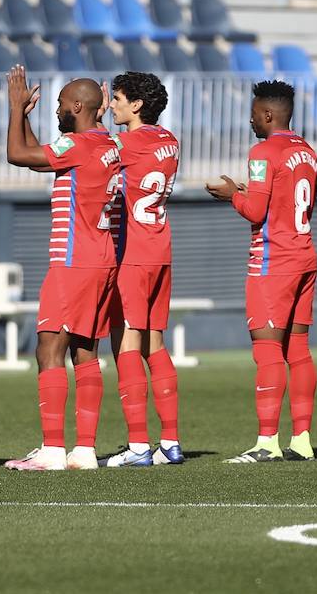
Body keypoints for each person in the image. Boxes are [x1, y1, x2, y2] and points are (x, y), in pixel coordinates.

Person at [4, 66, 121, 471]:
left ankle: (53, 450)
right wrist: (26, 119)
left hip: (74, 260)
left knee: (49, 347)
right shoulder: (105, 142)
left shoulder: (79, 145)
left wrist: (15, 108)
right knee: (85, 351)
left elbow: (18, 156)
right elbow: (43, 162)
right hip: (102, 258)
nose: (55, 109)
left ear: (77, 106)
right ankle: (84, 450)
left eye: (59, 104)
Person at [206, 80, 317, 464]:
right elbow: (283, 200)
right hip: (304, 254)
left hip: (274, 260)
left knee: (268, 351)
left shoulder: (263, 150)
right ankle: (302, 441)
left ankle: (267, 443)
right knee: (299, 351)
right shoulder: (306, 151)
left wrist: (231, 195)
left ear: (268, 114)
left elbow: (256, 212)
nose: (251, 119)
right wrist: (247, 192)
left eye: (254, 113)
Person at [100, 71, 182, 468]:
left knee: (126, 346)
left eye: (116, 98)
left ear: (136, 104)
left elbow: (94, 153)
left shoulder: (125, 143)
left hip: (131, 253)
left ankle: (137, 447)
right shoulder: (170, 140)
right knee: (156, 344)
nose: (111, 104)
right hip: (160, 249)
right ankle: (170, 442)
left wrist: (95, 120)